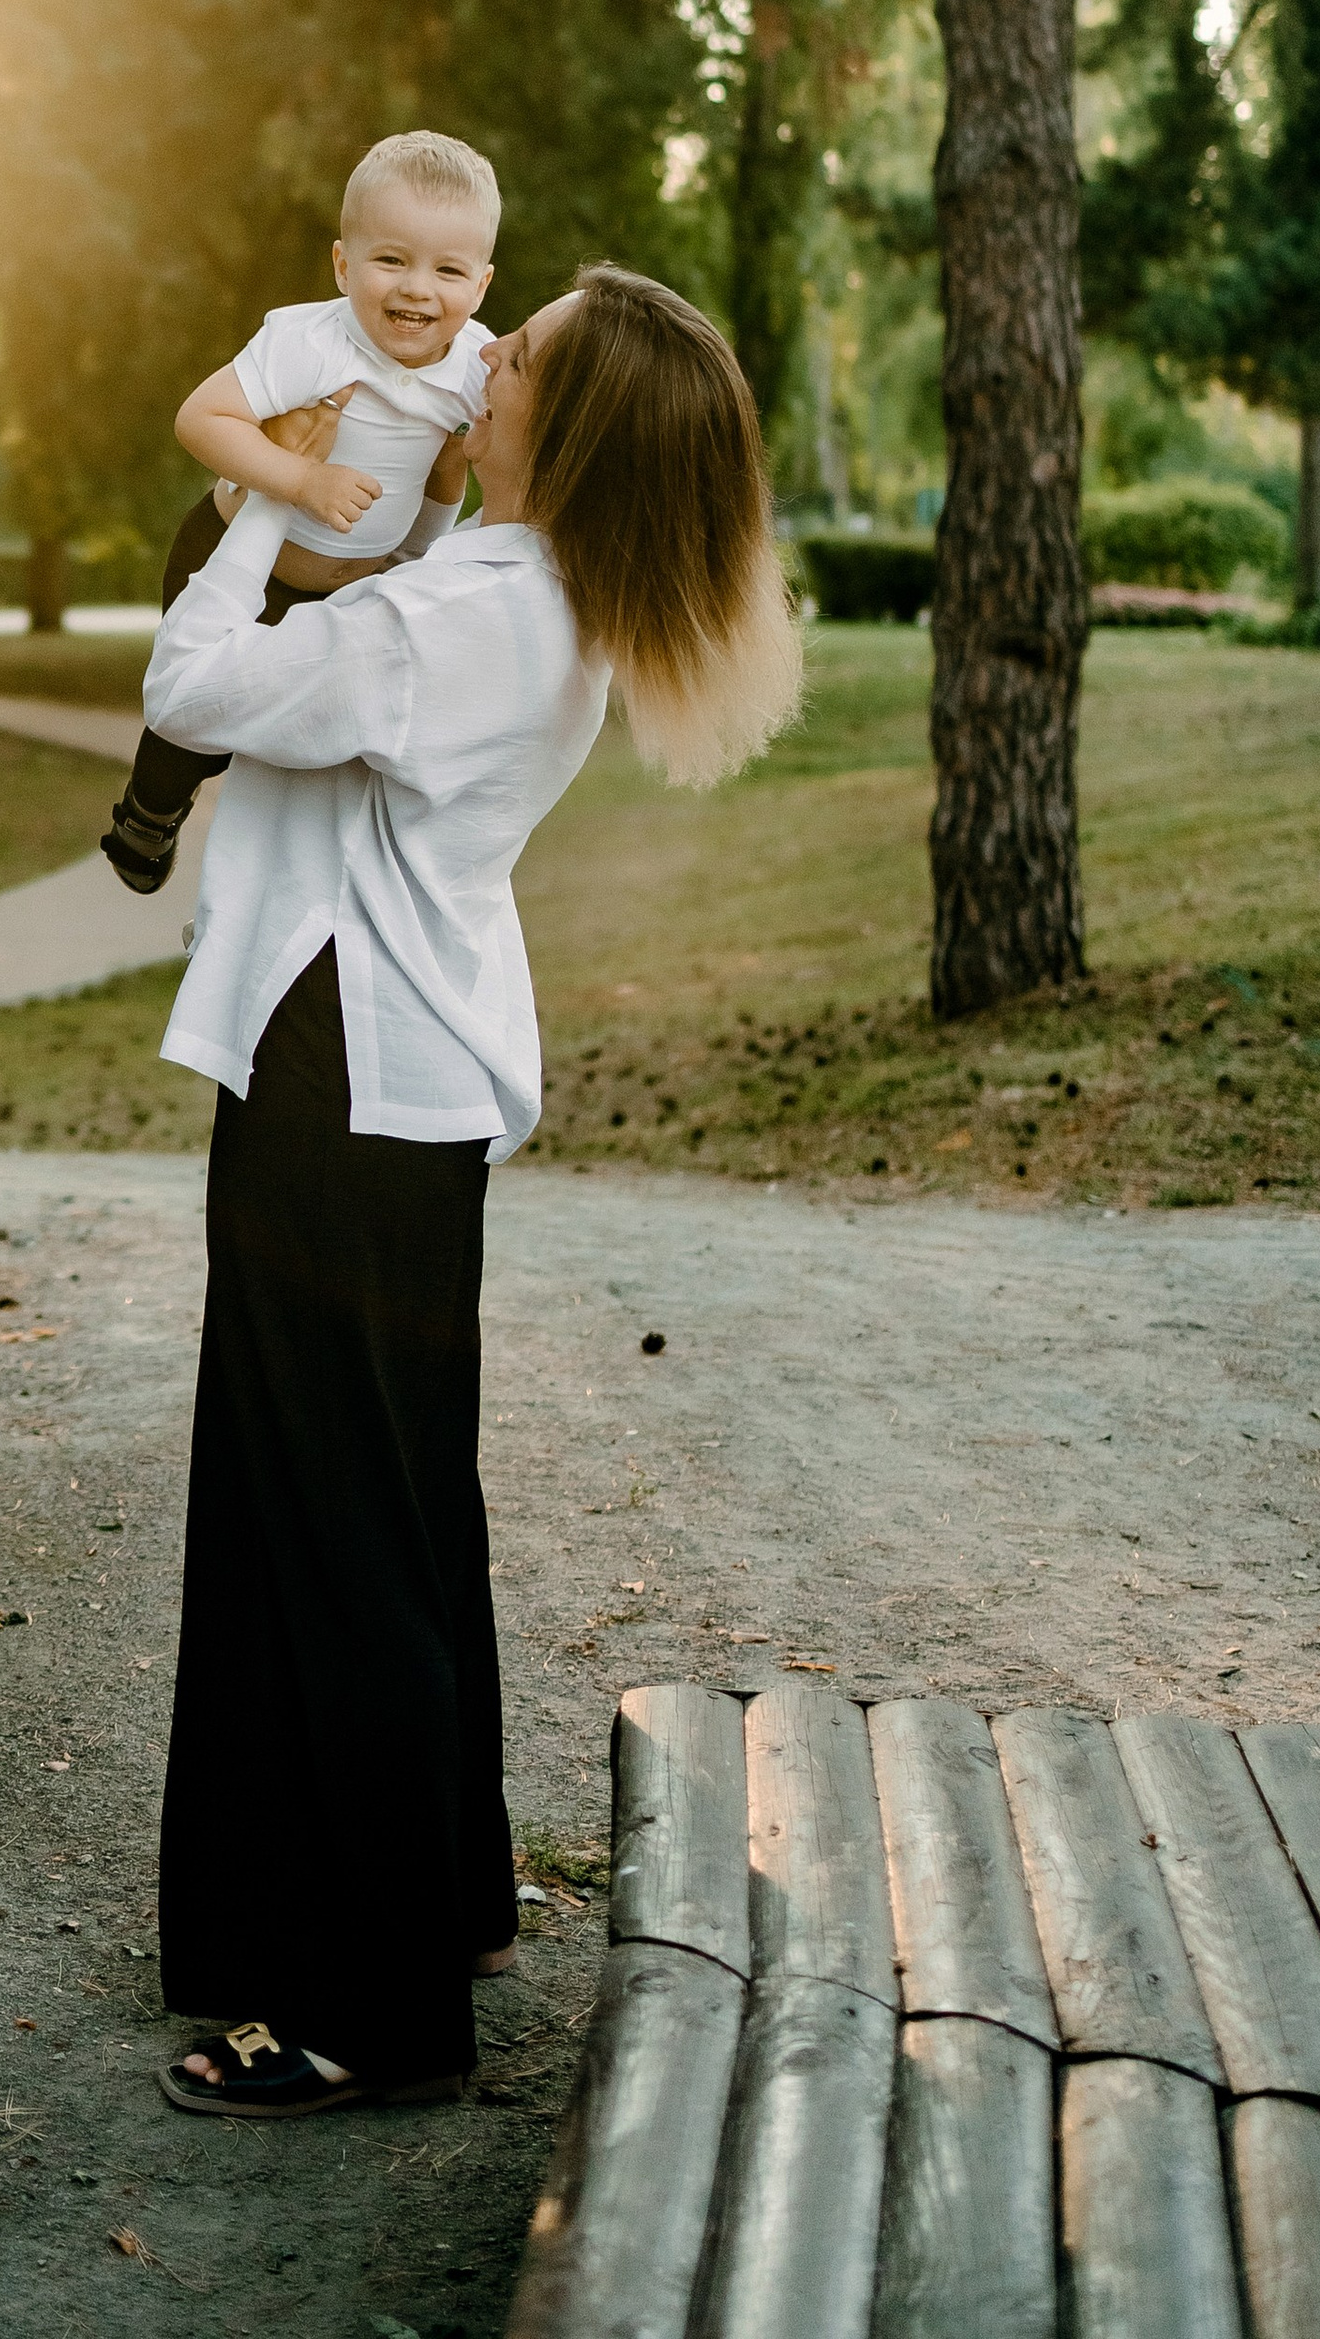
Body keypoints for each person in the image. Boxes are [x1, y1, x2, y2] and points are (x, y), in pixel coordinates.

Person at [146, 262, 802, 2118]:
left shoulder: (459, 620)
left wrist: (265, 500)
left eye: (516, 356)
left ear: (559, 428)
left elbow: (193, 686)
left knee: (325, 1519)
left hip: (338, 1069)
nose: (475, 359)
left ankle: (365, 2009)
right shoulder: (528, 597)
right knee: (398, 1500)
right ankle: (430, 1899)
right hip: (403, 1079)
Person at [99, 131, 502, 894]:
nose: (418, 288)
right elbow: (202, 419)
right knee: (199, 719)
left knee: (302, 729)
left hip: (349, 588)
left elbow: (451, 473)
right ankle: (148, 814)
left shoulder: (475, 366)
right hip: (234, 560)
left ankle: (297, 883)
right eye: (391, 260)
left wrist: (417, 559)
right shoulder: (310, 342)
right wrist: (299, 481)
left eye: (447, 270)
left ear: (480, 286)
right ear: (344, 265)